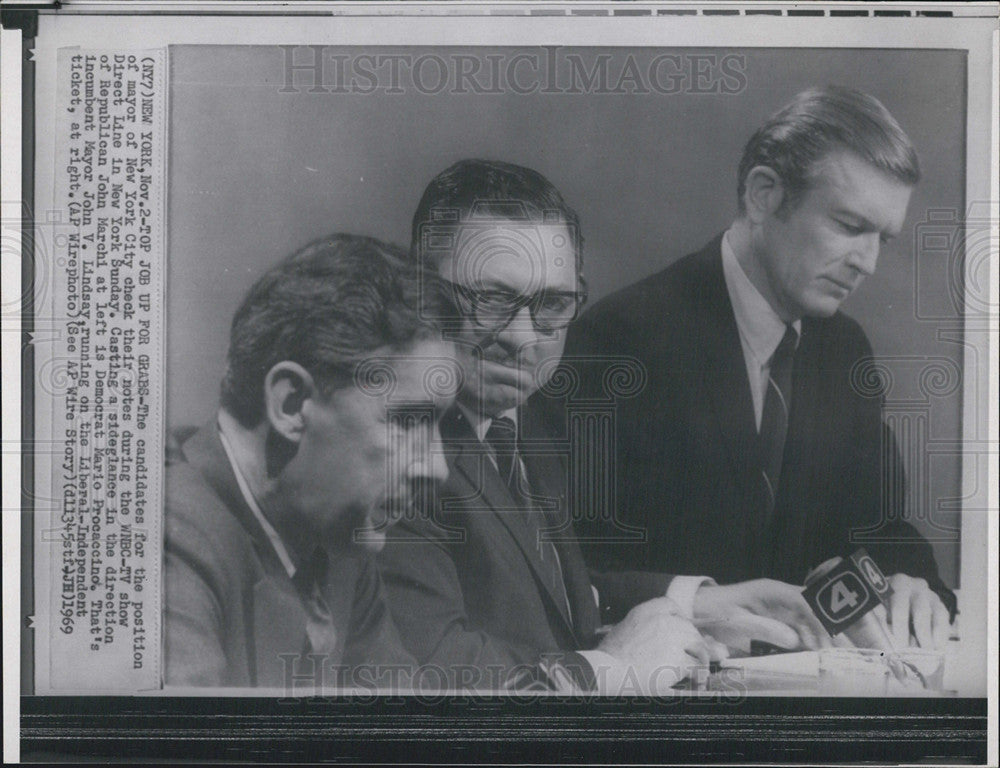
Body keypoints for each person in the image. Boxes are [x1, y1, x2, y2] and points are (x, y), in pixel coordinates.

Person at [378, 160, 833, 695]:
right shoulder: (391, 446)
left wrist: (692, 606)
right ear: (420, 292)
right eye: (492, 299)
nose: (523, 337)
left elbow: (538, 591)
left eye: (552, 304)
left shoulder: (525, 418)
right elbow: (429, 673)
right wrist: (612, 667)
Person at [564, 86, 956, 650]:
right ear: (763, 195)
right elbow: (559, 563)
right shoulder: (622, 337)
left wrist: (910, 582)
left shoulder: (845, 349)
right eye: (849, 225)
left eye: (883, 239)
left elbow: (880, 526)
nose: (867, 263)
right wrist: (690, 602)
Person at [163, 234, 455, 689]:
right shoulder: (159, 537)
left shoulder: (339, 548)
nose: (437, 468)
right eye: (408, 420)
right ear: (291, 404)